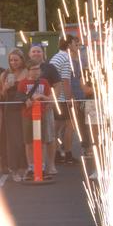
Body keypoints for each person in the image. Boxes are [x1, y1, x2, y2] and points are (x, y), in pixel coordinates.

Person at [16, 59, 53, 181]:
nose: (36, 72)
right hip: (27, 116)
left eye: (38, 69)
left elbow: (49, 98)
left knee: (42, 142)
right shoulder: (23, 83)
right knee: (29, 143)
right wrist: (26, 100)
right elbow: (19, 97)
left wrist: (42, 96)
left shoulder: (44, 82)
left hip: (41, 115)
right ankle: (31, 167)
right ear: (28, 71)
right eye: (33, 69)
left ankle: (42, 167)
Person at [28, 44, 60, 176]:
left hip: (46, 107)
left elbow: (58, 85)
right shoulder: (27, 67)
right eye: (33, 51)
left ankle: (51, 164)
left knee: (49, 137)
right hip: (29, 110)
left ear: (43, 53)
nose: (36, 54)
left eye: (38, 51)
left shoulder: (50, 68)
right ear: (29, 54)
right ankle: (34, 165)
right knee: (31, 138)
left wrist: (52, 100)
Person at [0, 49, 28, 181]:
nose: (13, 62)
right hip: (10, 108)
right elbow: (2, 95)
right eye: (11, 60)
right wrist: (5, 87)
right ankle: (14, 169)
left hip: (24, 107)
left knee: (25, 138)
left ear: (22, 60)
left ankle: (26, 167)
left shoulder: (27, 72)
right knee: (13, 140)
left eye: (16, 60)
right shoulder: (5, 74)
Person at [49, 36, 75, 165]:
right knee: (70, 126)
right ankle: (68, 154)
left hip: (55, 97)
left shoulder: (56, 57)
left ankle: (57, 153)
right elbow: (65, 81)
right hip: (62, 99)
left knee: (56, 128)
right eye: (76, 43)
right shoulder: (66, 58)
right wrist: (70, 99)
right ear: (69, 45)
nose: (78, 46)